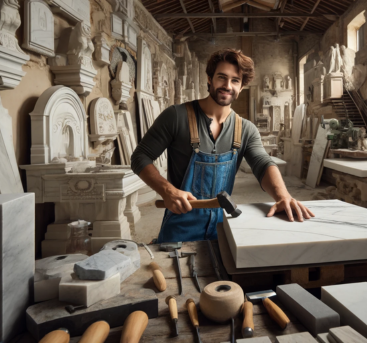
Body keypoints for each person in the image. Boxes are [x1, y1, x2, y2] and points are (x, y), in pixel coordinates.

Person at [131, 48, 314, 243]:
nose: (227, 85)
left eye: (235, 80)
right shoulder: (176, 116)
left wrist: (283, 196)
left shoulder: (246, 129)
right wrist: (167, 190)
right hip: (179, 227)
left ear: (241, 87)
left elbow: (263, 163)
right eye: (222, 77)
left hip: (222, 227)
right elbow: (140, 157)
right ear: (209, 79)